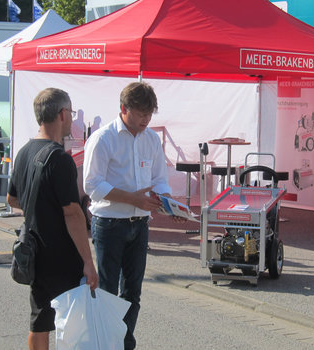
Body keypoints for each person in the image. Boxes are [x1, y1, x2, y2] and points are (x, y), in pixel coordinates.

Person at [83, 82, 183, 350]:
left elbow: (160, 179)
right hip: (110, 224)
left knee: (132, 293)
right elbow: (92, 185)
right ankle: (104, 343)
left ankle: (124, 344)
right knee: (107, 292)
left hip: (139, 224)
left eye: (149, 115)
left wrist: (168, 201)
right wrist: (133, 198)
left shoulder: (150, 139)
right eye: (140, 114)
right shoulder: (103, 138)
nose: (145, 120)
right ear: (124, 109)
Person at [7, 88, 98, 350]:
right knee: (72, 326)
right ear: (61, 114)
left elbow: (12, 200)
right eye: (70, 112)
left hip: (34, 251)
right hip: (62, 256)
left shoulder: (24, 152)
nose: (71, 118)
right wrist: (88, 262)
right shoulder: (59, 159)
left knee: (39, 322)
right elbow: (72, 214)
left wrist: (39, 210)